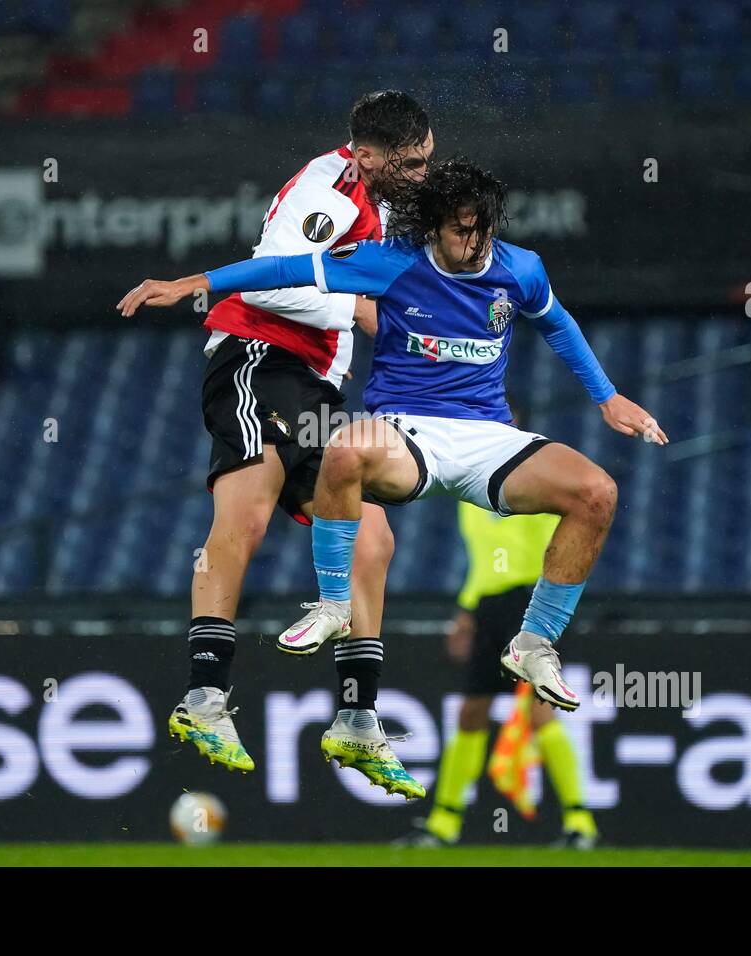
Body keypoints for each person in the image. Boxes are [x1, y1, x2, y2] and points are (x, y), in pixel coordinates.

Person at [118, 159, 667, 799]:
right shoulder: (390, 259)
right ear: (434, 227)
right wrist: (194, 281)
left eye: (483, 230)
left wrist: (607, 397)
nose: (474, 242)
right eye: (462, 230)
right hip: (409, 432)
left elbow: (557, 322)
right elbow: (283, 269)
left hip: (489, 437)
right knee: (342, 453)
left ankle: (531, 645)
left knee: (596, 492)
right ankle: (322, 611)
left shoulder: (520, 266)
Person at [156, 91, 435, 776]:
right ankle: (205, 695)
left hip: (313, 383)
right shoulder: (331, 192)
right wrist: (363, 307)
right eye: (414, 162)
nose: (425, 172)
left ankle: (357, 716)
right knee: (246, 517)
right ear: (369, 157)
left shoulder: (387, 200)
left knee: (372, 537)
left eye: (428, 159)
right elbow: (266, 287)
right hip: (258, 357)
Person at [401, 428, 599, 847]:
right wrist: (467, 611)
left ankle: (580, 823)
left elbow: (560, 543)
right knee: (471, 711)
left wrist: (548, 611)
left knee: (538, 711)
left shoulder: (536, 474)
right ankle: (443, 824)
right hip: (489, 608)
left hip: (528, 602)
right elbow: (482, 560)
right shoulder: (469, 486)